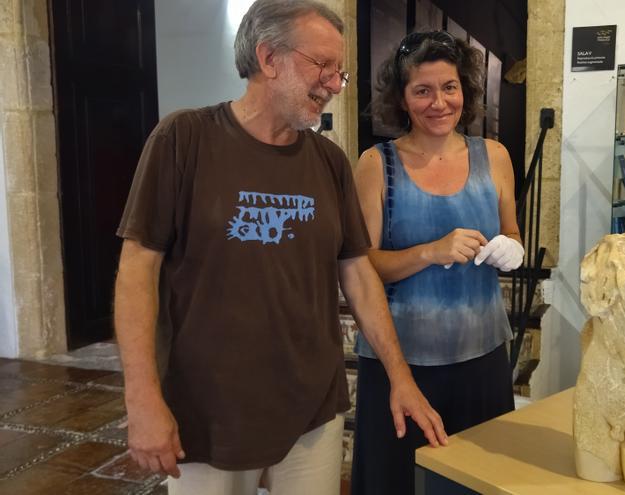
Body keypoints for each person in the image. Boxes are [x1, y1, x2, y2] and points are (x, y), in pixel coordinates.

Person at [113, 2, 446, 494]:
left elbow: (357, 272)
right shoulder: (183, 139)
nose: (334, 84)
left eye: (340, 71)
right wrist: (141, 400)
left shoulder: (329, 162)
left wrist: (400, 375)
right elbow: (137, 272)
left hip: (311, 411)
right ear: (269, 59)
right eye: (322, 66)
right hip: (209, 413)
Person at [351, 30, 524, 495]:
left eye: (449, 87)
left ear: (464, 91)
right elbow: (362, 266)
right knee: (397, 484)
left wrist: (513, 248)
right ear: (402, 99)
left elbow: (512, 232)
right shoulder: (376, 164)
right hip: (401, 364)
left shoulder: (495, 156)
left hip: (483, 357)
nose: (439, 102)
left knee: (477, 482)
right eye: (422, 90)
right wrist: (431, 251)